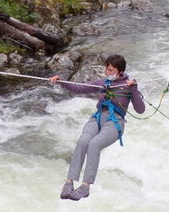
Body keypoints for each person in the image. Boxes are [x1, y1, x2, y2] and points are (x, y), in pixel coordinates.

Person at [49, 54, 145, 201]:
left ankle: (85, 186)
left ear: (119, 71)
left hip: (115, 122)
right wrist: (62, 81)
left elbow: (140, 110)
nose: (107, 72)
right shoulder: (102, 82)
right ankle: (69, 183)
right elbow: (80, 88)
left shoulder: (128, 85)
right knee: (83, 142)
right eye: (106, 69)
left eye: (110, 70)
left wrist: (133, 90)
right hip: (98, 117)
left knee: (94, 144)